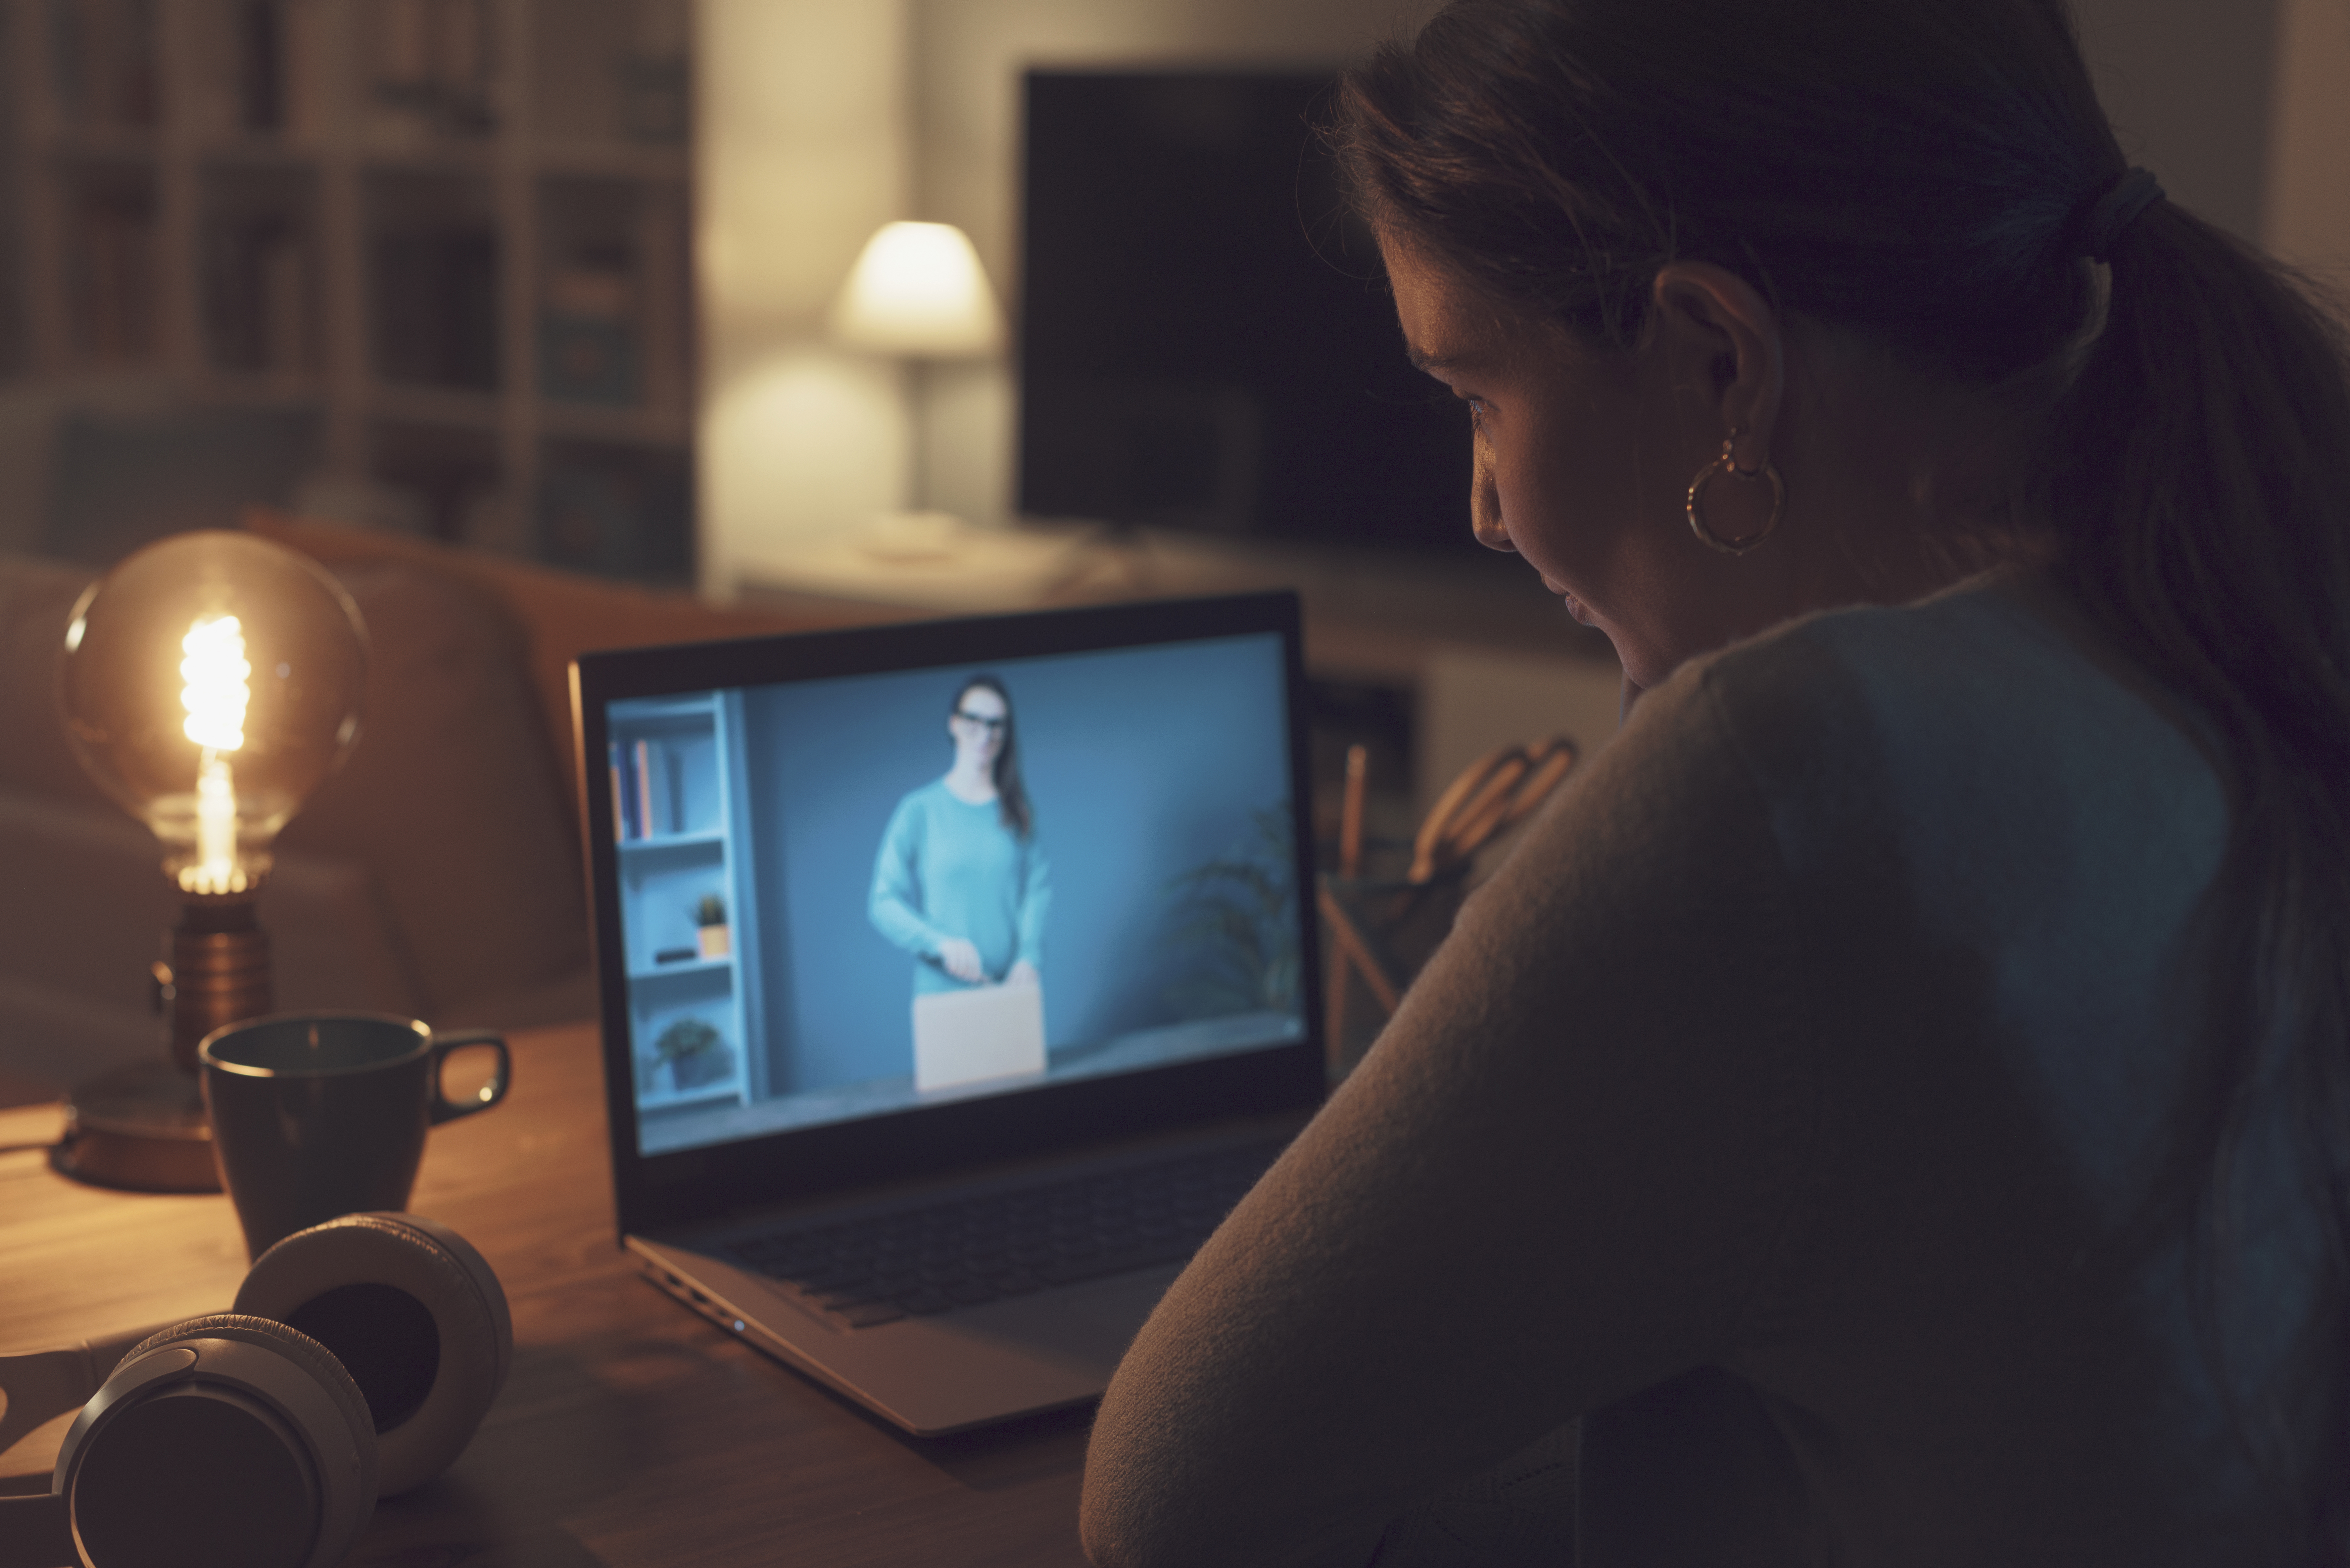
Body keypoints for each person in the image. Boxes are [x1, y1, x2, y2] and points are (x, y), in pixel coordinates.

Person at [1078, 1, 2350, 1564]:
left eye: (1477, 393)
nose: (1483, 506)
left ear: (1718, 362)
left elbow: (1169, 1499)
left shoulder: (1809, 772)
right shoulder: (2249, 607)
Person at [869, 675, 1050, 996]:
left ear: (1006, 733)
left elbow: (1036, 893)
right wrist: (939, 942)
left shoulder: (1019, 813)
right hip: (942, 998)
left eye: (996, 724)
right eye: (974, 720)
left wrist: (1028, 956)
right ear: (954, 724)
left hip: (1009, 992)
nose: (985, 733)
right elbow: (882, 902)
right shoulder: (918, 810)